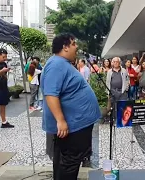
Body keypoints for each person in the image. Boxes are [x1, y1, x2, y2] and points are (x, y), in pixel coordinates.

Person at [41, 33, 101, 180]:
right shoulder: (56, 65)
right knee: (69, 163)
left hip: (78, 124)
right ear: (65, 47)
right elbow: (51, 94)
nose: (77, 47)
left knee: (67, 162)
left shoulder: (62, 63)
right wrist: (60, 121)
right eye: (74, 44)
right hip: (73, 126)